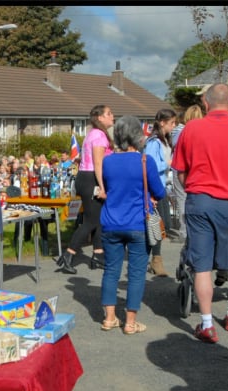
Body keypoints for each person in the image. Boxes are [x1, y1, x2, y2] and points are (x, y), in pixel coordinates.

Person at [171, 83, 228, 343]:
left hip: (200, 200)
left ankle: (207, 322)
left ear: (206, 104)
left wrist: (193, 186)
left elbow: (180, 171)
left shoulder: (192, 129)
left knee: (201, 265)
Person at [99, 115, 166, 335]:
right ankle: (130, 322)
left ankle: (109, 318)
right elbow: (160, 192)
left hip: (110, 222)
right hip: (138, 222)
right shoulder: (146, 161)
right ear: (138, 136)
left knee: (111, 271)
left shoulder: (108, 161)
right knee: (136, 273)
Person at [56, 104, 115, 274]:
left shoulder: (95, 134)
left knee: (99, 218)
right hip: (91, 180)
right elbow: (98, 163)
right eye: (109, 114)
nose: (112, 116)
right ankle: (68, 254)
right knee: (90, 220)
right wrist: (102, 187)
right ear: (99, 118)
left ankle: (98, 254)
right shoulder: (98, 136)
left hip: (88, 178)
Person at [143, 108, 177, 276]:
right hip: (154, 187)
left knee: (164, 225)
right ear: (162, 123)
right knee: (157, 225)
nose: (174, 126)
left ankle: (151, 257)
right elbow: (150, 165)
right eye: (172, 123)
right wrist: (169, 163)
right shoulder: (153, 142)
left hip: (162, 185)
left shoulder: (165, 141)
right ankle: (155, 259)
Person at [169, 105, 204, 243]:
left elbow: (174, 145)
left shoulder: (180, 130)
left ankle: (184, 231)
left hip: (181, 167)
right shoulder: (203, 130)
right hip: (197, 167)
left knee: (182, 198)